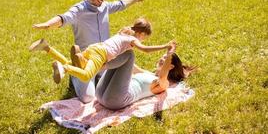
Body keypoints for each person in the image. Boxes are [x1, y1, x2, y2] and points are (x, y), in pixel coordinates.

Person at [32, 0, 146, 103]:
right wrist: (47, 24)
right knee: (88, 98)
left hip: (104, 57)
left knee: (117, 81)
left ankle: (68, 65)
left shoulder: (105, 6)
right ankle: (73, 72)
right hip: (85, 60)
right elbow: (64, 18)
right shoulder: (79, 10)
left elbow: (120, 4)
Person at [29, 18, 174, 84]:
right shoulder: (132, 39)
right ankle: (64, 68)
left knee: (77, 67)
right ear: (141, 34)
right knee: (86, 76)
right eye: (144, 38)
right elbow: (146, 50)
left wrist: (144, 72)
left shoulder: (123, 32)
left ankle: (47, 47)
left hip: (94, 48)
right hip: (101, 54)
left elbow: (126, 63)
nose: (143, 41)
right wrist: (165, 46)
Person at [95, 43, 195, 110]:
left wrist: (170, 54)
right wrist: (127, 42)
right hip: (100, 94)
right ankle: (92, 62)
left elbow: (162, 77)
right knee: (124, 53)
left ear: (171, 66)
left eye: (165, 58)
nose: (161, 59)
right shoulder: (148, 74)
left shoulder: (164, 84)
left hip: (116, 100)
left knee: (130, 55)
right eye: (163, 56)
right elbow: (130, 65)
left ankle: (95, 66)